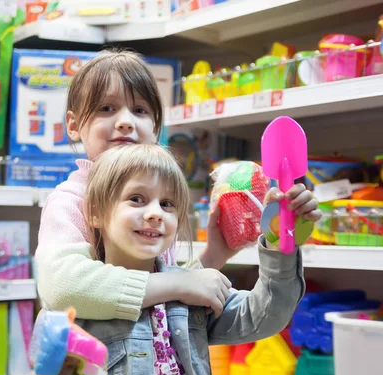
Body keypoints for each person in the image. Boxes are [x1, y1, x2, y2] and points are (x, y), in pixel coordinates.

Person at [32, 144, 318, 375]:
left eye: (167, 204)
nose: (156, 213)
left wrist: (280, 241)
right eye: (136, 199)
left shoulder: (192, 289)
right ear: (95, 211)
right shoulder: (79, 310)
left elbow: (265, 315)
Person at [36, 49, 310, 322]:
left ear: (156, 128)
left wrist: (216, 253)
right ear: (73, 125)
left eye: (140, 110)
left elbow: (170, 306)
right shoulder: (71, 200)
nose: (125, 122)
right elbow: (62, 287)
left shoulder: (157, 199)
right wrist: (180, 284)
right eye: (106, 108)